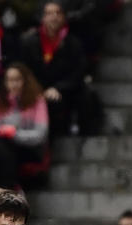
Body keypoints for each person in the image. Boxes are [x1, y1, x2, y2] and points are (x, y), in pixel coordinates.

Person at [20, 1, 86, 137]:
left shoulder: (73, 43)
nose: (54, 17)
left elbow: (78, 71)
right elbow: (24, 69)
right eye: (49, 13)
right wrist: (38, 89)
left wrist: (58, 88)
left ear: (63, 17)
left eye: (58, 13)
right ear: (43, 18)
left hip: (62, 91)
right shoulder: (29, 42)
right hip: (36, 89)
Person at [0, 63, 49, 166]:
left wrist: (15, 134)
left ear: (25, 81)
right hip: (5, 145)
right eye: (10, 80)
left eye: (17, 80)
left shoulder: (38, 101)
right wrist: (4, 131)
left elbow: (41, 134)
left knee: (3, 150)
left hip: (30, 147)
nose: (14, 84)